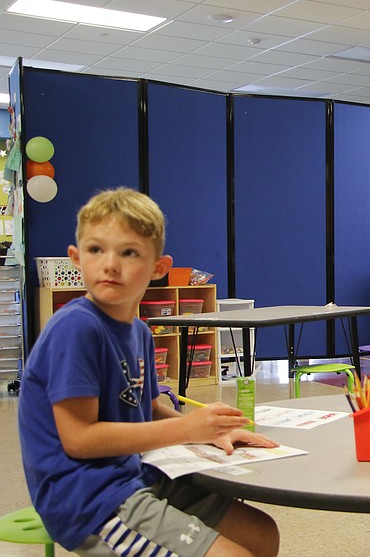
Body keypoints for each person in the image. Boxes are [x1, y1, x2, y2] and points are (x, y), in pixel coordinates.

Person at [19, 188, 280, 557]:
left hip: (136, 474)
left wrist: (212, 431)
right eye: (96, 250)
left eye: (129, 252)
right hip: (89, 498)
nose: (110, 264)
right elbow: (78, 439)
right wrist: (186, 429)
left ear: (159, 268)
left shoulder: (139, 331)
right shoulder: (75, 328)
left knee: (260, 533)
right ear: (76, 259)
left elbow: (149, 406)